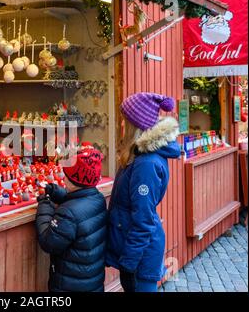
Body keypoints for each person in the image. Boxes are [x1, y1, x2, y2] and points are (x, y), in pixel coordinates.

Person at [106, 92, 181, 292]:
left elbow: (144, 220)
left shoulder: (146, 164)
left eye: (125, 121)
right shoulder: (138, 156)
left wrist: (129, 263)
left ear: (135, 126)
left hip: (141, 257)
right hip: (136, 251)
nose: (122, 126)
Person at [36, 146, 107, 292]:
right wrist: (58, 192)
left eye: (65, 173)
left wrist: (45, 205)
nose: (62, 175)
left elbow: (48, 242)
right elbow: (80, 200)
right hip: (92, 282)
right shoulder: (97, 198)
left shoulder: (67, 213)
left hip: (69, 286)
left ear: (72, 178)